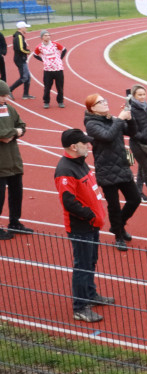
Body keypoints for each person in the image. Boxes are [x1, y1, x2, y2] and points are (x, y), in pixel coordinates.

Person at [54, 129, 115, 323]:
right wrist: (90, 216)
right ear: (74, 146)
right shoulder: (65, 170)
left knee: (90, 262)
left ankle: (90, 294)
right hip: (82, 226)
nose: (89, 145)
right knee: (82, 266)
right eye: (85, 143)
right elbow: (68, 201)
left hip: (92, 224)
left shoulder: (80, 163)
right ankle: (80, 307)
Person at [84, 93, 140, 252]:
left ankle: (118, 227)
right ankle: (119, 236)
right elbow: (107, 136)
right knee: (114, 205)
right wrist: (120, 119)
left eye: (104, 100)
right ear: (93, 108)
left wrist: (129, 118)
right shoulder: (91, 124)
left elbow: (132, 132)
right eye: (100, 102)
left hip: (122, 166)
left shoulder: (112, 119)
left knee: (135, 199)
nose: (105, 103)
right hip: (106, 169)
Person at [0, 81, 30, 240]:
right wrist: (13, 132)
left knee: (16, 193)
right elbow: (3, 135)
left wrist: (13, 132)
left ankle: (15, 222)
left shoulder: (9, 109)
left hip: (14, 161)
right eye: (3, 95)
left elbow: (22, 125)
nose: (6, 98)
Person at [126, 85, 147, 203]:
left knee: (142, 168)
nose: (142, 97)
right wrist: (142, 137)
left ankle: (138, 192)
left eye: (144, 94)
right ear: (134, 96)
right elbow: (129, 129)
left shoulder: (145, 106)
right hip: (137, 144)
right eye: (139, 95)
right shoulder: (130, 109)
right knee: (146, 169)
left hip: (146, 142)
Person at [31, 29, 66, 109]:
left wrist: (60, 58)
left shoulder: (55, 44)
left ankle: (60, 101)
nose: (48, 37)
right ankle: (46, 102)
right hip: (48, 70)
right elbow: (35, 54)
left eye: (49, 35)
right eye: (45, 35)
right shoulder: (39, 47)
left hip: (58, 69)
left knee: (60, 87)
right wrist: (42, 60)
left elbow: (64, 50)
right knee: (47, 87)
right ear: (42, 37)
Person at [8, 21, 33, 100]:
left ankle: (26, 94)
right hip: (20, 59)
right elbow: (20, 48)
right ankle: (9, 90)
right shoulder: (19, 36)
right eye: (25, 27)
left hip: (21, 58)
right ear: (21, 28)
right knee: (24, 77)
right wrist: (28, 51)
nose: (26, 29)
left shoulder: (20, 36)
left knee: (28, 77)